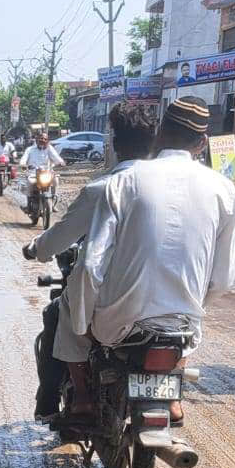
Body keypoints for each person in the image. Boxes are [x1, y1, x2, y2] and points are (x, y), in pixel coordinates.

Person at [27, 97, 235, 420]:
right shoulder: (223, 189)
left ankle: (83, 398)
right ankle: (171, 393)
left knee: (70, 307)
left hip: (118, 324)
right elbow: (225, 279)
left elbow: (89, 266)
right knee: (189, 330)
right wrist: (190, 305)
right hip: (181, 327)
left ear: (160, 134)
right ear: (202, 143)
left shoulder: (124, 182)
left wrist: (84, 326)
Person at [25, 104, 157, 420]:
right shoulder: (175, 187)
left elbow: (59, 239)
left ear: (112, 142)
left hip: (115, 304)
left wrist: (36, 250)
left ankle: (69, 397)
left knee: (57, 314)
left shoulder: (104, 188)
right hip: (169, 304)